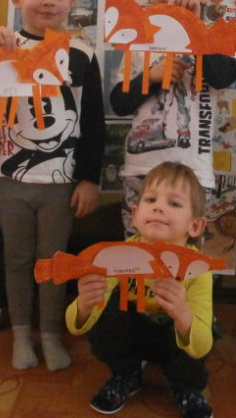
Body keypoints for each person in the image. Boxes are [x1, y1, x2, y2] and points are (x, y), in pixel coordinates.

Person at [0, 0, 105, 371]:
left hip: (61, 183)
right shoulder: (5, 46)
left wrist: (89, 179)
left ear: (72, 0)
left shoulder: (82, 52)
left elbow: (93, 121)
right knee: (16, 260)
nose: (49, 2)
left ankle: (50, 334)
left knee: (53, 262)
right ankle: (21, 335)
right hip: (10, 178)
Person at [109, 0, 236, 239]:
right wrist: (151, 76)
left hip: (193, 174)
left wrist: (193, 27)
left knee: (185, 253)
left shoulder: (214, 40)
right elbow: (119, 102)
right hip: (142, 171)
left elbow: (223, 77)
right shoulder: (138, 43)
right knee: (138, 251)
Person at [66, 162, 215, 418]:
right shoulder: (117, 257)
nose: (158, 207)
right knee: (105, 308)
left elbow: (201, 346)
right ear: (135, 215)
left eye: (174, 203)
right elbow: (75, 325)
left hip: (174, 340)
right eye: (151, 199)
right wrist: (84, 305)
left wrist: (182, 313)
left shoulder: (198, 269)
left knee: (196, 328)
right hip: (134, 334)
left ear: (195, 226)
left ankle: (185, 388)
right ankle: (127, 374)